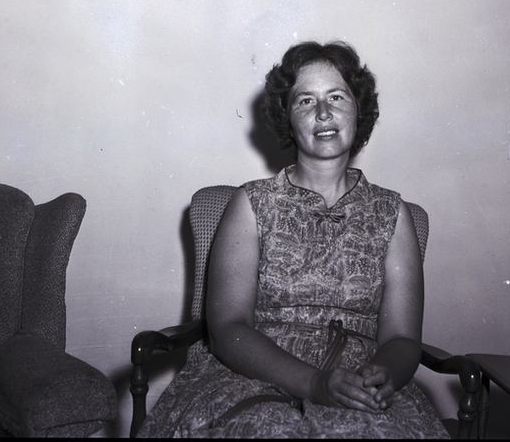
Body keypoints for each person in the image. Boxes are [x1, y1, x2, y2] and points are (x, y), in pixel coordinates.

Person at [137, 41, 448, 438]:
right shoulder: (251, 204)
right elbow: (229, 327)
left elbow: (402, 338)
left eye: (337, 97)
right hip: (252, 375)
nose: (323, 113)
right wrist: (314, 383)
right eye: (305, 101)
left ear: (359, 110)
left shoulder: (393, 213)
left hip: (357, 382)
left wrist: (382, 376)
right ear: (287, 118)